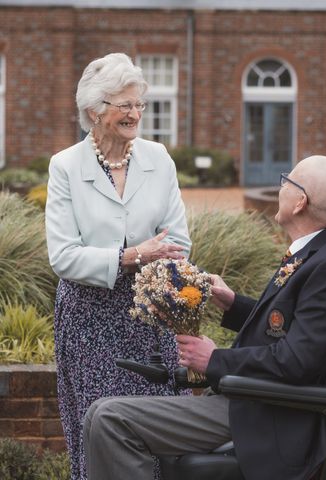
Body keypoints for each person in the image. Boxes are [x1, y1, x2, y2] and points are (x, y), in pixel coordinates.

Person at [82, 155, 326, 480]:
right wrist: (233, 304)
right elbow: (295, 329)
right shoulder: (323, 248)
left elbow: (295, 362)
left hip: (269, 415)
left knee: (111, 419)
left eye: (285, 182)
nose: (280, 188)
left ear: (300, 202)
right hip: (252, 400)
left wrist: (215, 360)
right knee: (99, 412)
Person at [45, 52, 191, 480]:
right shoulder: (66, 167)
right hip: (89, 318)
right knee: (97, 426)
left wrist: (153, 261)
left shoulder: (158, 158)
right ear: (94, 110)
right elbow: (63, 256)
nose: (135, 114)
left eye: (138, 104)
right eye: (124, 105)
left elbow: (178, 241)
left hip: (150, 314)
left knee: (156, 423)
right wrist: (130, 256)